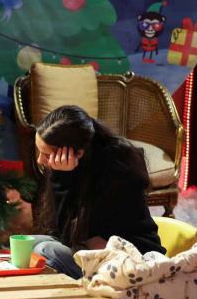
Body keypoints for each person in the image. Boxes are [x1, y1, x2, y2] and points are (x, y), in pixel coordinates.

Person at [32, 104, 164, 279]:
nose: (40, 160)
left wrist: (62, 179)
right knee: (30, 244)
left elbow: (72, 236)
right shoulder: (78, 163)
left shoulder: (116, 170)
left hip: (130, 261)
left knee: (45, 250)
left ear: (78, 153)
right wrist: (62, 177)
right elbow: (60, 232)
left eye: (47, 155)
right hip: (93, 249)